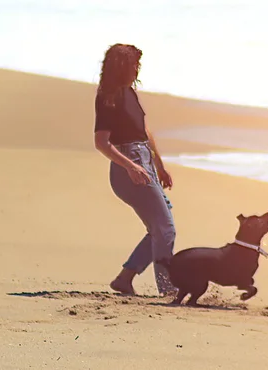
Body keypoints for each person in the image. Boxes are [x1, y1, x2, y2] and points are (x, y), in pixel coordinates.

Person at [93, 43, 177, 297]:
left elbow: (145, 131)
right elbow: (101, 143)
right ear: (120, 67)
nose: (137, 69)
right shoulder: (108, 97)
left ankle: (125, 278)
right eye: (133, 65)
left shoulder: (130, 92)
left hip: (144, 161)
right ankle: (168, 288)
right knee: (165, 228)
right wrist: (131, 167)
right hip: (128, 164)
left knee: (159, 227)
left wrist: (159, 166)